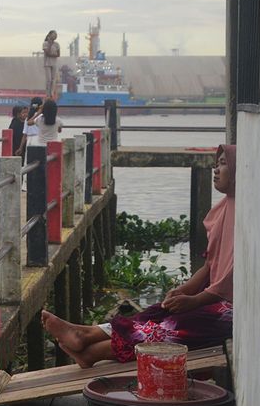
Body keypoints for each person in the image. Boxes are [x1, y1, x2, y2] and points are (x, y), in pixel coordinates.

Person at [42, 145, 236, 368]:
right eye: (215, 164)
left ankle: (94, 352)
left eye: (223, 164)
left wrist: (194, 301)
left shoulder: (244, 216)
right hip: (212, 297)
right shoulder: (223, 209)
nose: (215, 170)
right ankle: (86, 334)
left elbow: (229, 280)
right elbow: (210, 266)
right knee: (158, 310)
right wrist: (184, 291)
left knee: (173, 325)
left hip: (230, 310)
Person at [42, 30, 60, 98]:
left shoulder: (57, 44)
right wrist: (50, 44)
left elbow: (58, 54)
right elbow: (47, 53)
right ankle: (48, 93)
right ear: (49, 35)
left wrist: (51, 55)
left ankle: (52, 92)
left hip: (54, 63)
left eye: (56, 35)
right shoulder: (45, 43)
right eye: (54, 34)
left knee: (53, 79)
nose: (55, 36)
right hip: (47, 63)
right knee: (48, 80)